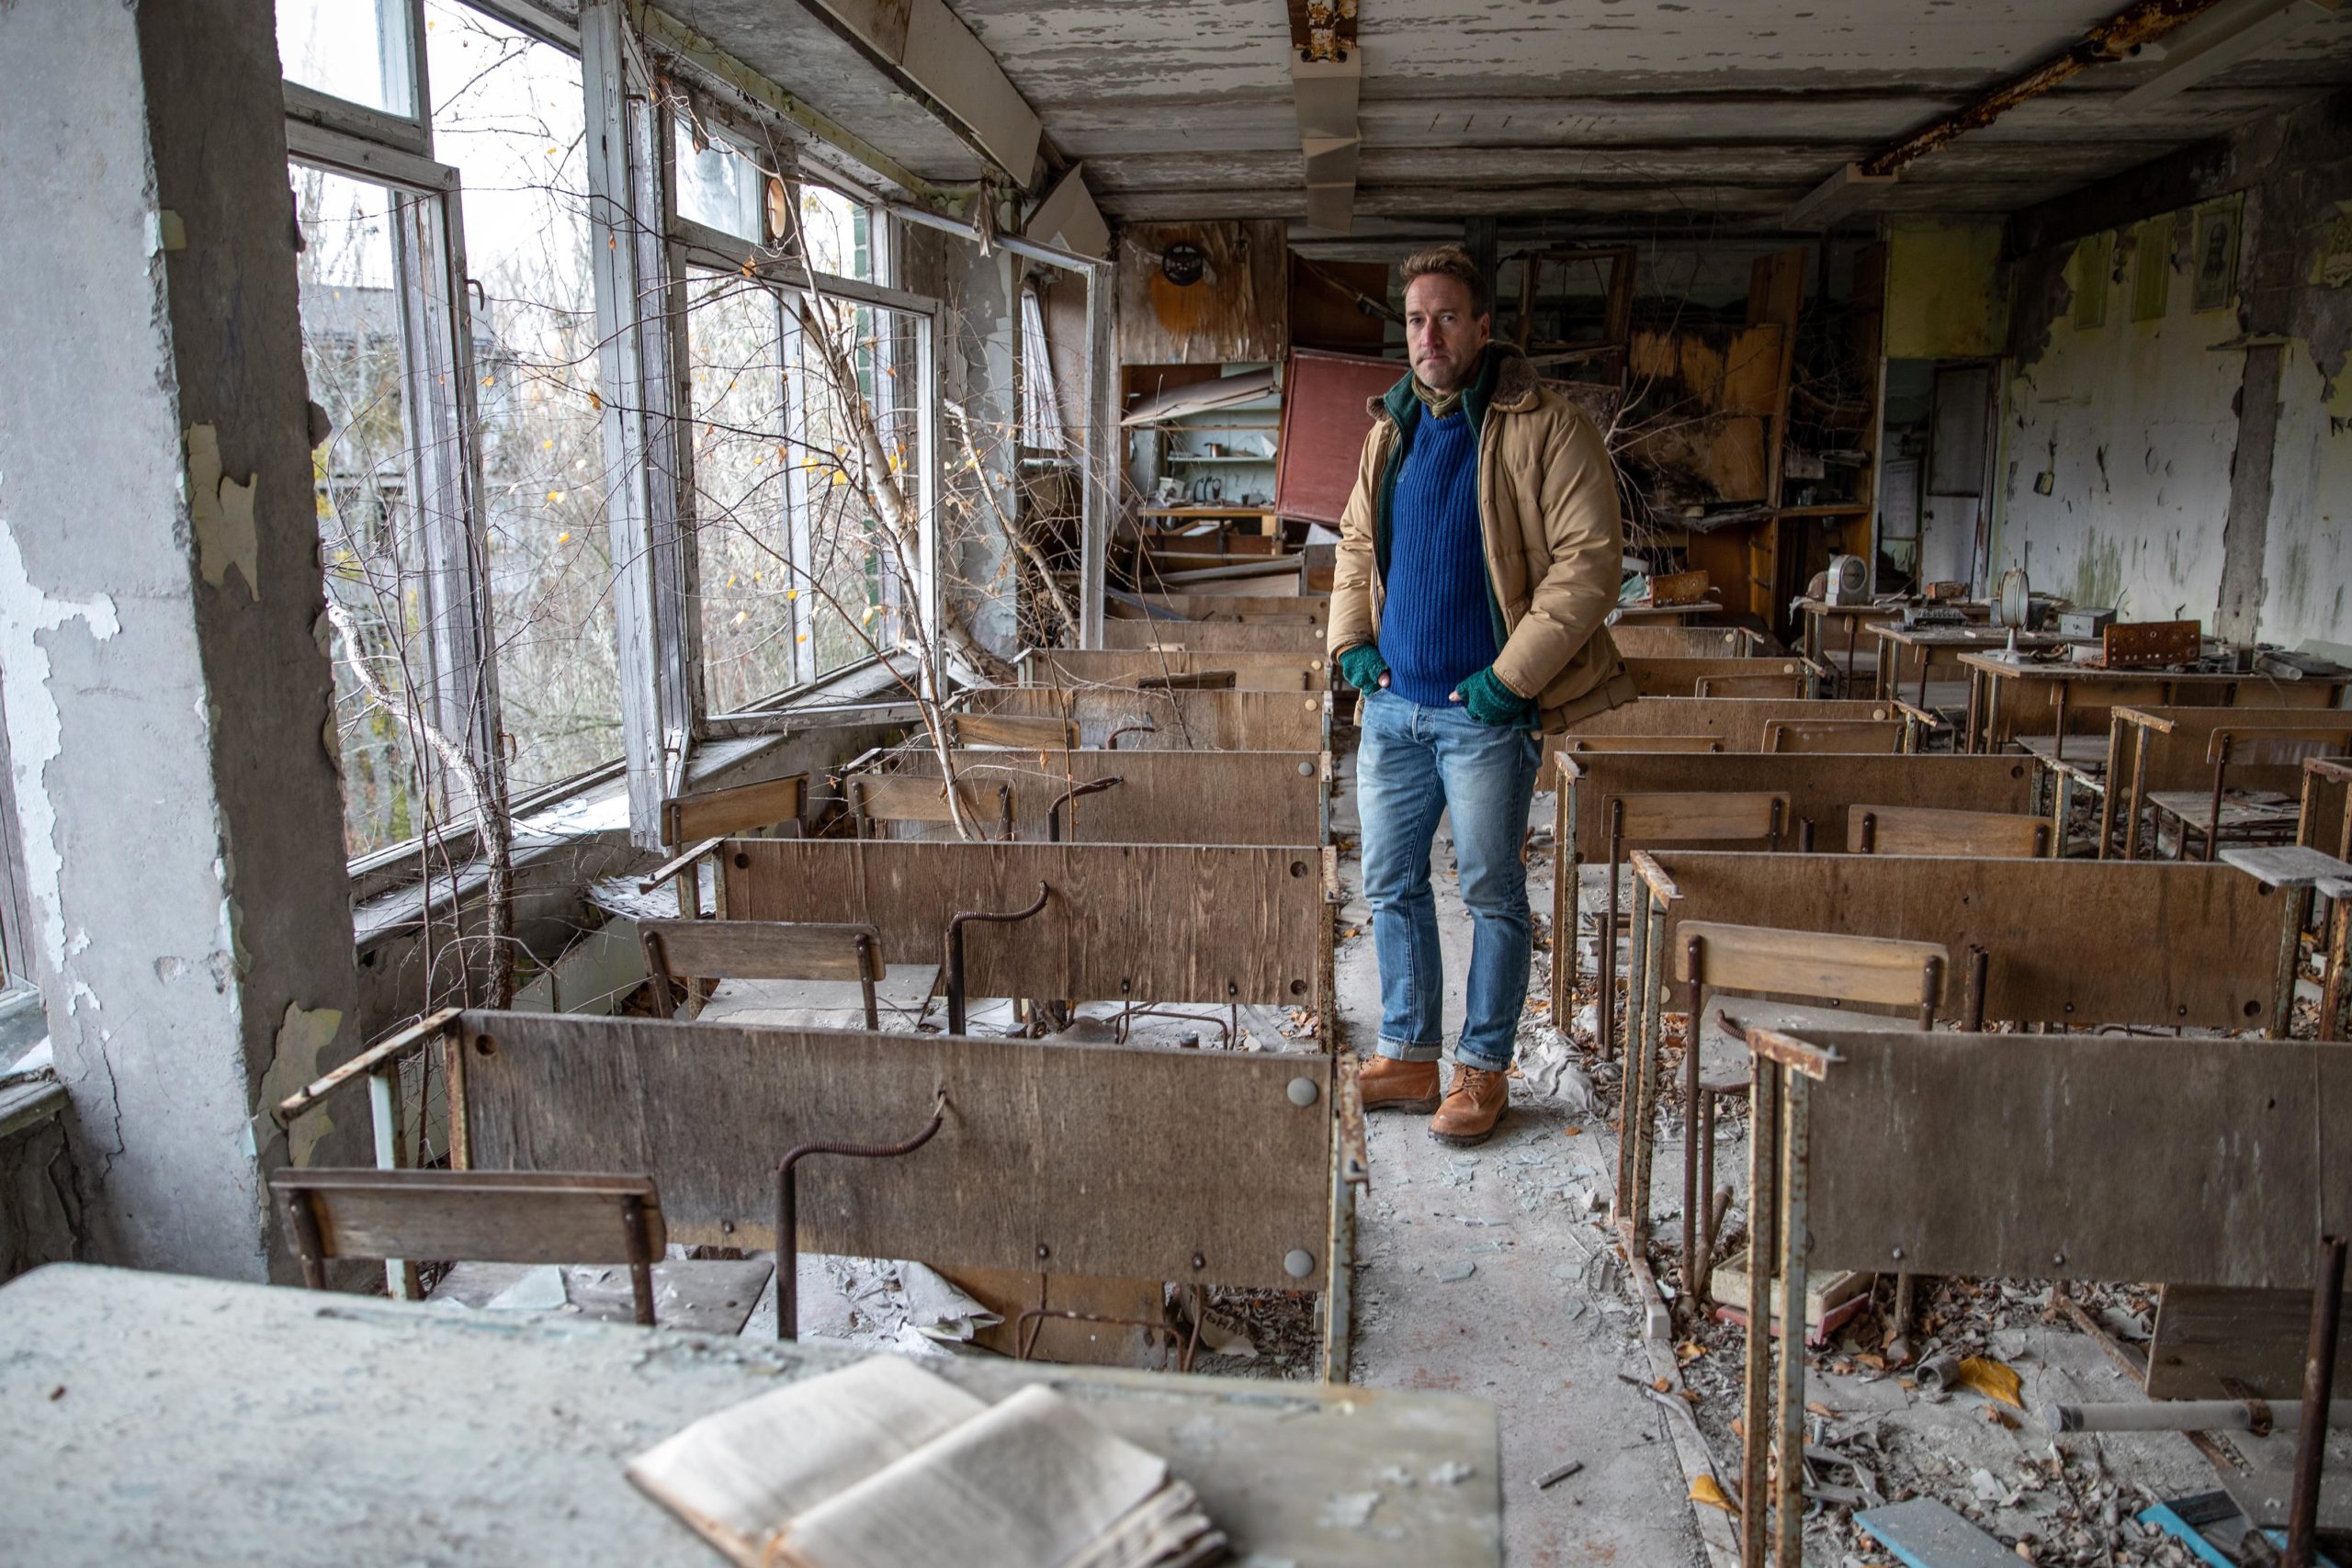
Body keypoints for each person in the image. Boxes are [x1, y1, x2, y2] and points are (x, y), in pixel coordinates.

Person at [1328, 244, 1634, 1145]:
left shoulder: (1547, 426)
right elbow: (1353, 544)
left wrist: (1510, 681)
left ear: (1483, 326)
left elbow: (1590, 565)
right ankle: (1411, 1052)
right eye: (1417, 318)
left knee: (1493, 893)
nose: (1429, 335)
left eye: (1447, 316)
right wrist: (1351, 644)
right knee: (1389, 885)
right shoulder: (1390, 428)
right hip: (1391, 708)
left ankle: (1481, 1070)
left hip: (1481, 716)